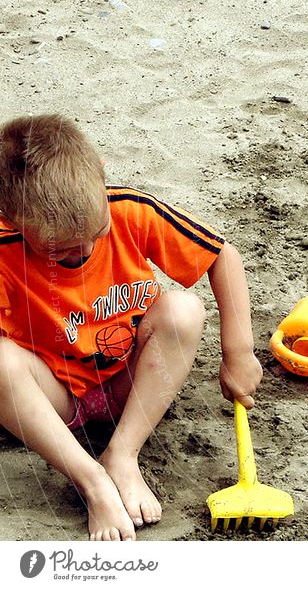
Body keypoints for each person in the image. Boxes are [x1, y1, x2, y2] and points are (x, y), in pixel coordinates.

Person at [0, 113, 263, 541]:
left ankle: (122, 454)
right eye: (61, 249)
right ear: (12, 220)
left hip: (131, 383)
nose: (83, 251)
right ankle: (91, 479)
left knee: (183, 309)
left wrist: (238, 352)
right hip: (55, 401)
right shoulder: (5, 247)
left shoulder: (129, 210)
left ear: (101, 175)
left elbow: (221, 257)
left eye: (96, 233)